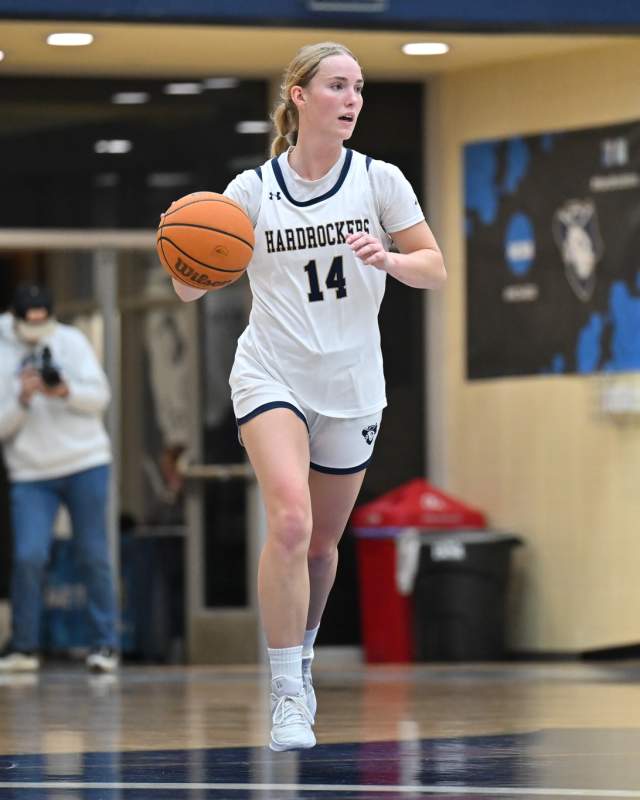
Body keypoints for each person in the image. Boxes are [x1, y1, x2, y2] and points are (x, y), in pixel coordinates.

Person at [171, 41, 446, 750]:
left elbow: (434, 268)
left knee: (322, 547)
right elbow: (185, 284)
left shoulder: (379, 180)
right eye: (336, 85)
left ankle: (305, 653)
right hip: (272, 374)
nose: (351, 99)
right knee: (289, 523)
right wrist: (186, 254)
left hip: (353, 385)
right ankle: (287, 691)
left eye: (357, 87)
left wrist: (389, 258)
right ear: (299, 96)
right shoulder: (252, 190)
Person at [0, 283, 119, 673]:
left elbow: (100, 397)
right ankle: (24, 646)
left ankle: (106, 644)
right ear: (15, 320)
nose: (37, 330)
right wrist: (21, 397)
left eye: (43, 323)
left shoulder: (71, 340)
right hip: (31, 471)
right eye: (29, 325)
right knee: (29, 555)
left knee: (94, 554)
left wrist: (65, 390)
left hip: (85, 460)